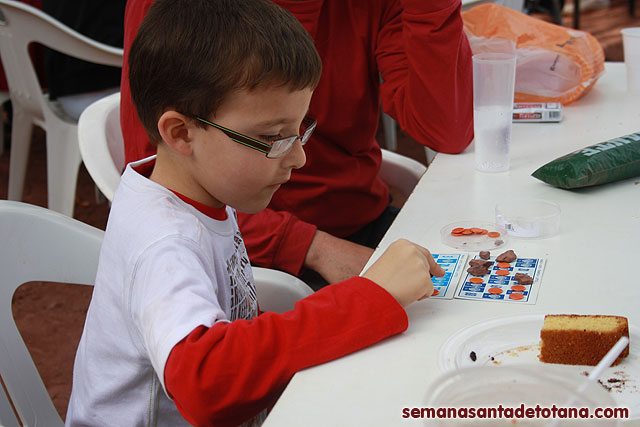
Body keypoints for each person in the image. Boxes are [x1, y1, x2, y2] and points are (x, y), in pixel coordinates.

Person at [65, 0, 445, 425]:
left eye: (300, 131)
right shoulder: (165, 242)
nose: (299, 158)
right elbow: (205, 380)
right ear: (180, 133)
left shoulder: (198, 194)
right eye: (272, 137)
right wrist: (370, 298)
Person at [119, 0, 473, 286]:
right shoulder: (169, 252)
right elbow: (164, 175)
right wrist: (314, 249)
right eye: (270, 137)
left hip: (361, 219)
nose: (300, 159)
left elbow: (448, 129)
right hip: (256, 248)